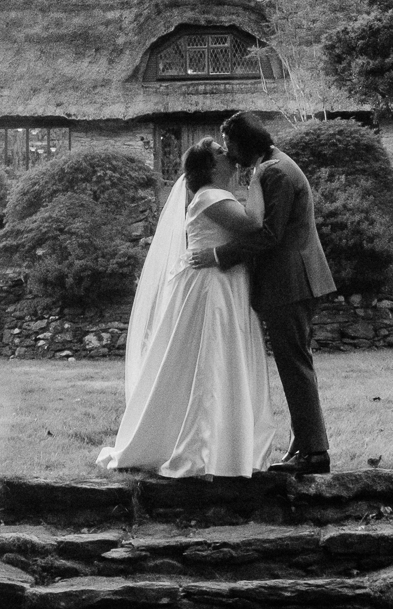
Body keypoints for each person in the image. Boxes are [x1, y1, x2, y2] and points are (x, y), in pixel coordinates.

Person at [95, 139, 277, 478]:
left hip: (224, 280)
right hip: (213, 288)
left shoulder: (214, 195)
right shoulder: (210, 195)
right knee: (210, 360)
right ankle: (203, 446)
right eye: (222, 153)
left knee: (216, 359)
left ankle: (222, 443)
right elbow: (253, 225)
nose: (230, 155)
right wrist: (258, 179)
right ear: (209, 166)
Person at [189, 111, 336, 475]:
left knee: (294, 363)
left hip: (290, 281)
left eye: (228, 145)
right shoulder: (272, 166)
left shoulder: (274, 172)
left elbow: (270, 233)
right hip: (290, 280)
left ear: (240, 143)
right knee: (293, 362)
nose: (226, 152)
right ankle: (302, 445)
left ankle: (315, 454)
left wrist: (218, 255)